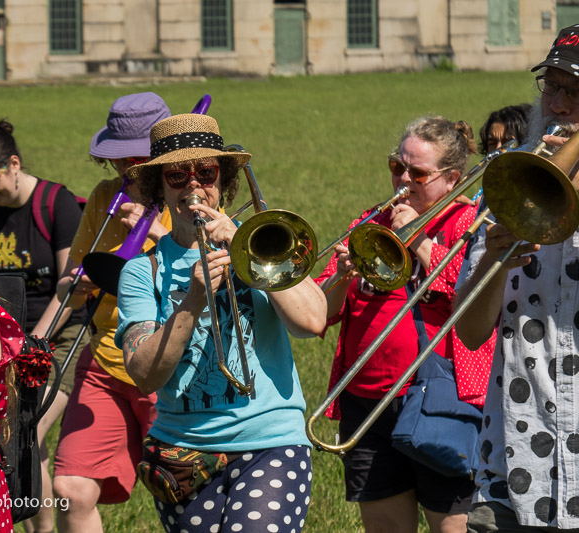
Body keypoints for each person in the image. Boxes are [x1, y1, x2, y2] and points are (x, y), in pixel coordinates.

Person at [115, 113, 327, 533]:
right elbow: (144, 375)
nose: (193, 185)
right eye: (177, 176)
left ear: (222, 179)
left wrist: (244, 245)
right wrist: (191, 303)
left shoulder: (258, 241)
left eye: (206, 172)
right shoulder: (142, 271)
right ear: (160, 186)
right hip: (184, 455)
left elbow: (312, 321)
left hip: (272, 443)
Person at [314, 116, 496, 533]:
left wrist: (418, 241)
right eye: (397, 166)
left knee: (452, 525)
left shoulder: (469, 224)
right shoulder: (372, 220)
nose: (403, 180)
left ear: (452, 179)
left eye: (417, 173)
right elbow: (323, 311)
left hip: (441, 399)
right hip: (367, 399)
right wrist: (341, 277)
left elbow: (472, 293)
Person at [455, 25, 579, 532]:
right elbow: (469, 332)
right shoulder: (507, 187)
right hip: (515, 456)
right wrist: (492, 263)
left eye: (575, 92)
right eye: (552, 88)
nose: (560, 104)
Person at [51, 92, 172, 533]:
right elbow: (69, 282)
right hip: (106, 359)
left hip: (170, 365)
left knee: (181, 495)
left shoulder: (191, 194)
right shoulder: (105, 197)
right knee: (69, 490)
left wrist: (157, 231)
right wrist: (79, 283)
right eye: (118, 161)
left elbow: (209, 280)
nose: (124, 170)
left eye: (134, 159)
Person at [0, 119, 86, 533]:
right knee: (21, 435)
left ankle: (39, 528)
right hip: (1, 336)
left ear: (14, 164)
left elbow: (71, 286)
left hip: (60, 332)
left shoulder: (56, 203)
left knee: (24, 427)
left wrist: (35, 342)